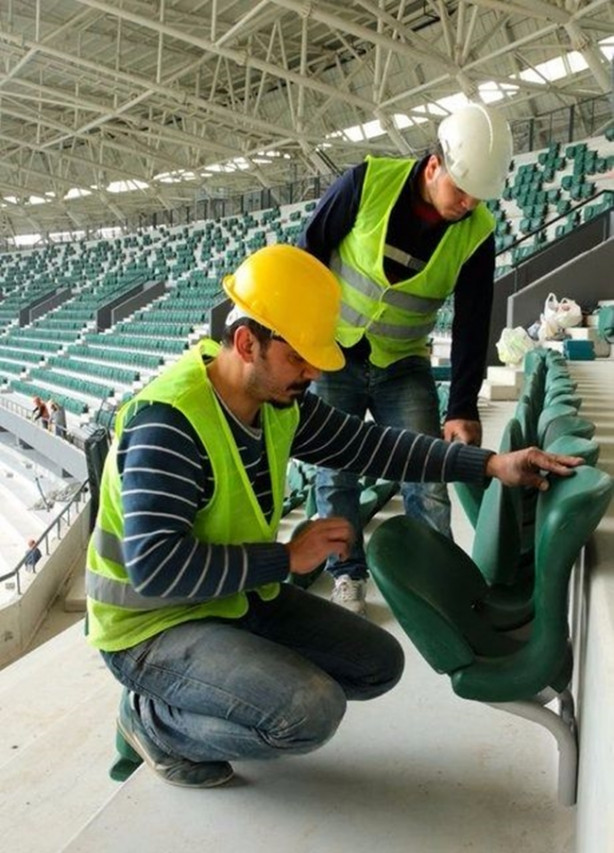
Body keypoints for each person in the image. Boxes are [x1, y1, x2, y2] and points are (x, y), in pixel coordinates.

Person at [85, 244, 580, 790]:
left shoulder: (276, 402)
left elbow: (371, 447)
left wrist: (489, 464)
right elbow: (156, 570)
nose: (314, 370)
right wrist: (286, 558)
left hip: (229, 599)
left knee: (377, 664)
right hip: (150, 627)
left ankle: (220, 685)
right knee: (306, 713)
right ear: (248, 343)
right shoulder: (169, 425)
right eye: (299, 357)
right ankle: (152, 722)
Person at [298, 101, 513, 615]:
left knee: (428, 476)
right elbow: (309, 254)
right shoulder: (364, 183)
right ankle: (347, 574)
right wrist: (301, 347)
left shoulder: (477, 231)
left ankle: (433, 579)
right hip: (335, 355)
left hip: (403, 363)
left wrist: (461, 406)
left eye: (477, 196)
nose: (466, 204)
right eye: (459, 190)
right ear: (433, 165)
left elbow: (471, 320)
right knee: (336, 476)